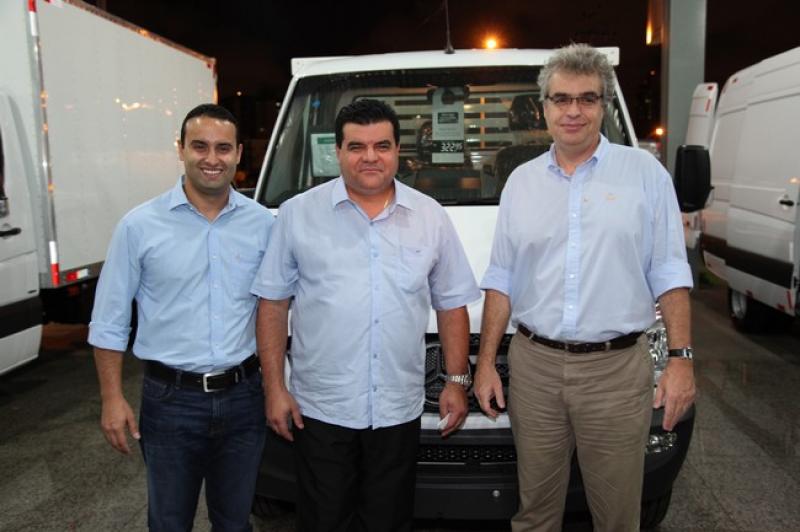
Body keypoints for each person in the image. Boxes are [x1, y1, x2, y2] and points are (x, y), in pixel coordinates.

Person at [473, 44, 696, 532]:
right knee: (535, 513)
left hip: (615, 372)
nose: (573, 111)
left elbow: (670, 271)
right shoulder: (522, 182)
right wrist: (486, 363)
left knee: (616, 516)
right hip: (534, 369)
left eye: (587, 98)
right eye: (561, 99)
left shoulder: (645, 175)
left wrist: (681, 360)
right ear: (544, 107)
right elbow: (502, 278)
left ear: (604, 106)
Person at [251, 99, 480, 532]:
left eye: (382, 146)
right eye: (356, 146)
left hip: (397, 407)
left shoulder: (429, 216)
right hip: (321, 409)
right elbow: (273, 305)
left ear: (398, 151)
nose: (370, 157)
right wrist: (274, 388)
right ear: (337, 151)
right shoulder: (298, 214)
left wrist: (456, 381)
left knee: (388, 521)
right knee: (323, 521)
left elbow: (451, 304)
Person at [88, 103, 274, 531]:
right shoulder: (138, 226)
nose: (212, 158)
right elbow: (109, 320)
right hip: (171, 402)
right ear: (181, 149)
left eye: (223, 148)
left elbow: (276, 309)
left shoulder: (263, 224)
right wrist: (112, 398)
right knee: (169, 523)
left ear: (239, 153)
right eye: (200, 146)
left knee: (235, 523)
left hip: (244, 398)